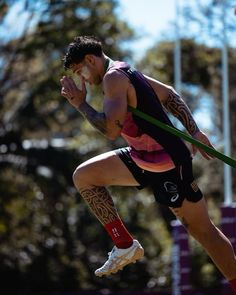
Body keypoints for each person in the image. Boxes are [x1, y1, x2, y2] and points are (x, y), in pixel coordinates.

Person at [60, 36, 236, 292]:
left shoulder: (114, 78)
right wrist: (194, 131)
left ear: (90, 59)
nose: (83, 79)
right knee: (84, 176)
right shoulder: (124, 70)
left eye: (80, 71)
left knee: (204, 233)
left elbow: (110, 130)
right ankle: (124, 244)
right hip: (141, 157)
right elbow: (170, 94)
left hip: (167, 161)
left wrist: (81, 105)